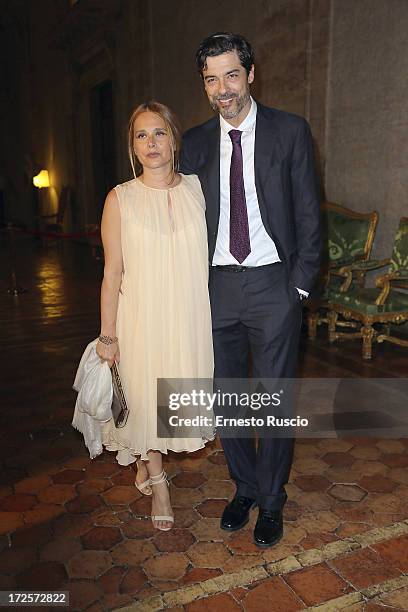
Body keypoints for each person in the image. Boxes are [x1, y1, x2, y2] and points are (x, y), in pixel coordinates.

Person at [180, 33, 321, 547]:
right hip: (215, 289)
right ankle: (245, 487)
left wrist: (299, 288)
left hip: (271, 286)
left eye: (230, 75)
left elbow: (309, 211)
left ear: (251, 73)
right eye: (211, 79)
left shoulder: (289, 132)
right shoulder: (193, 143)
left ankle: (273, 498)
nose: (222, 89)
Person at [97, 101, 214, 531]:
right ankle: (159, 479)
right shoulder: (120, 199)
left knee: (176, 400)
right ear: (132, 145)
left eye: (159, 132)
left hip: (187, 317)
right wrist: (107, 334)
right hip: (141, 316)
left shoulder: (199, 189)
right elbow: (111, 272)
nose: (151, 143)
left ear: (174, 138)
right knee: (147, 399)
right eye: (142, 135)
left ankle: (148, 463)